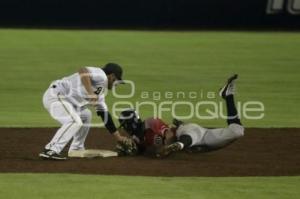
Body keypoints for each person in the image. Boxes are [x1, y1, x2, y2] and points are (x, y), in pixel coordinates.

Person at [118, 74, 244, 157]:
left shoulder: (150, 122)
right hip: (197, 146)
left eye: (125, 125)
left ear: (131, 122)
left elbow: (169, 134)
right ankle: (227, 95)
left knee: (190, 136)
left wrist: (166, 148)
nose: (124, 129)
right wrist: (128, 150)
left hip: (186, 131)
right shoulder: (137, 137)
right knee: (237, 131)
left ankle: (180, 145)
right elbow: (140, 150)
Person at [39, 63, 132, 160]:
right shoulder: (101, 75)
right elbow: (83, 70)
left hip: (66, 102)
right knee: (74, 121)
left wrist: (119, 137)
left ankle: (76, 148)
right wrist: (91, 94)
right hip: (56, 96)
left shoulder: (101, 92)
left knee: (86, 115)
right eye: (117, 81)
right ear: (112, 76)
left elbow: (104, 115)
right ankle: (51, 150)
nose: (116, 84)